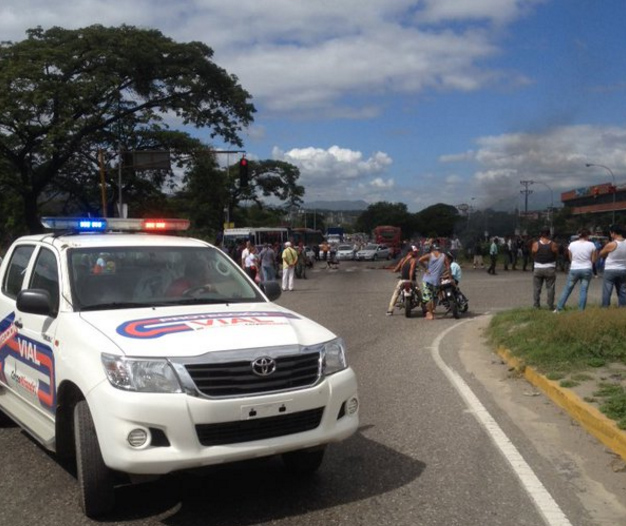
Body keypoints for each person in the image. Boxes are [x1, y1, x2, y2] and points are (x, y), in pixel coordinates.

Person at [554, 229, 596, 312]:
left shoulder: (572, 244)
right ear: (587, 236)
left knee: (567, 289)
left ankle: (559, 308)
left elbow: (570, 258)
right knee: (583, 290)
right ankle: (581, 311)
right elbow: (593, 260)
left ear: (578, 235)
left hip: (575, 268)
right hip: (586, 269)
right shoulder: (591, 245)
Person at [418, 244, 449, 320]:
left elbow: (420, 260)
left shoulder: (430, 255)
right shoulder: (444, 256)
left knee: (428, 298)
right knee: (435, 296)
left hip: (427, 279)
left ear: (433, 249)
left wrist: (425, 268)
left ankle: (430, 314)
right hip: (436, 280)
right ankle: (432, 310)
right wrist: (443, 274)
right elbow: (448, 267)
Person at [386, 246, 420, 315]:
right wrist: (410, 280)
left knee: (396, 293)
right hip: (412, 280)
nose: (416, 253)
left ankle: (390, 310)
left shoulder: (403, 259)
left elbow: (397, 269)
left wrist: (393, 270)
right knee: (419, 294)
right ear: (410, 252)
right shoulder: (413, 260)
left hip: (402, 280)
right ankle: (425, 309)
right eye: (414, 252)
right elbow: (411, 270)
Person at [599, 224, 626, 307]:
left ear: (613, 233)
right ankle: (623, 307)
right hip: (623, 269)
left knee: (607, 290)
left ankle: (605, 307)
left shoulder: (612, 244)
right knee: (623, 290)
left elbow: (601, 254)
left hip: (610, 269)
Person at [531, 228, 558, 310]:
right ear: (549, 234)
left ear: (540, 234)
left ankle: (536, 305)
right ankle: (550, 305)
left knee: (537, 288)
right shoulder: (553, 244)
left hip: (538, 268)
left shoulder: (536, 244)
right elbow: (556, 254)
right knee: (550, 288)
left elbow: (533, 254)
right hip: (550, 268)